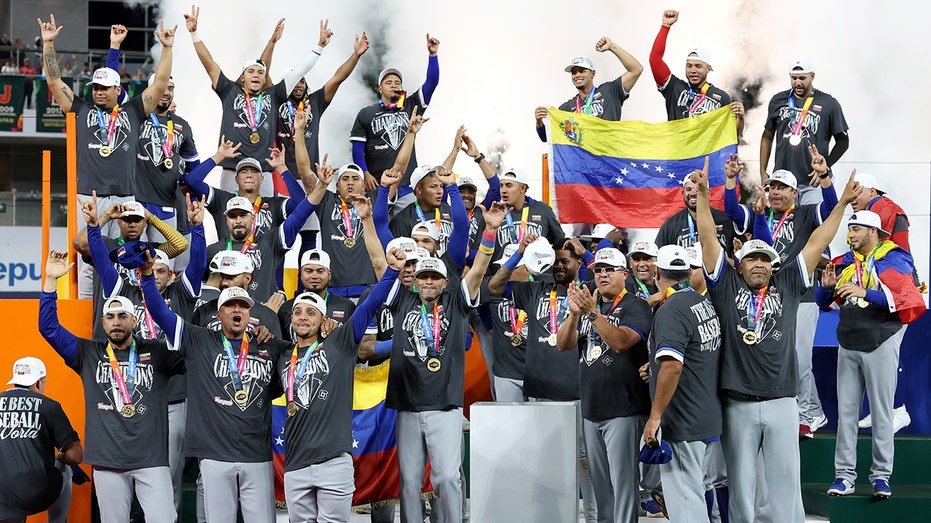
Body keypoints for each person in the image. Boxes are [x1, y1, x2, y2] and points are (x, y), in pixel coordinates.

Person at [694, 157, 861, 523]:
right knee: (741, 485)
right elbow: (707, 238)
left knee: (786, 483)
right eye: (751, 258)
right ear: (739, 264)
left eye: (765, 259)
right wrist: (703, 198)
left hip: (784, 401)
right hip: (737, 402)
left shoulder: (788, 282)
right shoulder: (725, 286)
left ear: (773, 265)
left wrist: (844, 203)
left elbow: (818, 240)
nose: (759, 264)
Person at [141, 260, 292, 523]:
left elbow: (306, 346)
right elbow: (159, 312)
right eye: (230, 306)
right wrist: (145, 277)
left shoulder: (269, 345)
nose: (237, 310)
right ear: (219, 314)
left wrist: (330, 326)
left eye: (243, 306)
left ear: (250, 314)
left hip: (257, 455)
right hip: (214, 456)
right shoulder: (199, 340)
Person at [39, 251, 184, 523]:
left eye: (122, 316)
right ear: (103, 323)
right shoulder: (87, 354)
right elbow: (49, 328)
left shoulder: (157, 352)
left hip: (151, 460)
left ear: (134, 320)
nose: (116, 321)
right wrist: (49, 282)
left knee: (164, 519)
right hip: (108, 462)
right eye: (110, 316)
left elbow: (192, 348)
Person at [387, 201, 506, 523]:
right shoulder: (402, 298)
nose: (427, 282)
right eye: (423, 277)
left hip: (445, 405)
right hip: (408, 405)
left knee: (446, 478)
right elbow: (376, 259)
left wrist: (490, 231)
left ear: (444, 282)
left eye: (434, 278)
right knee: (409, 482)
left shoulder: (457, 302)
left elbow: (478, 271)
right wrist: (370, 220)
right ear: (415, 281)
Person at [277, 247, 406, 522]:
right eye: (298, 312)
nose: (302, 317)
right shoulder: (283, 354)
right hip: (295, 462)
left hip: (333, 461)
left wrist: (392, 271)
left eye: (311, 313)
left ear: (324, 320)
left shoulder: (341, 344)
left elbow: (369, 306)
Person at [724, 149, 837, 438]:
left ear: (794, 194)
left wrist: (824, 177)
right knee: (781, 355)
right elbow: (733, 211)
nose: (775, 192)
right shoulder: (759, 212)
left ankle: (806, 414)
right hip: (767, 297)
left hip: (800, 293)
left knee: (800, 358)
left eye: (783, 188)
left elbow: (832, 207)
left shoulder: (805, 214)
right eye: (772, 186)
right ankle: (809, 410)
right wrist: (731, 181)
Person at [488, 237, 598, 523]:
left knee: (584, 460)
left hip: (577, 389)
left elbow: (614, 278)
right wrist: (519, 254)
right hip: (541, 390)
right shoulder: (535, 290)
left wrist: (587, 255)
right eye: (556, 261)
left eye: (566, 261)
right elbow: (495, 287)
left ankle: (594, 517)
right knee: (547, 459)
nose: (559, 266)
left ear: (577, 263)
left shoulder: (589, 291)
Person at [816, 211, 924, 499]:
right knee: (846, 414)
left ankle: (881, 477)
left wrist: (865, 292)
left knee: (881, 413)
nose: (850, 234)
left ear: (873, 232)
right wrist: (826, 289)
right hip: (848, 341)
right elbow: (824, 303)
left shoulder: (893, 258)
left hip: (880, 340)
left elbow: (904, 297)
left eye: (856, 229)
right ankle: (844, 476)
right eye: (850, 229)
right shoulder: (846, 262)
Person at [40, 15, 175, 234]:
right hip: (89, 197)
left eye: (104, 88)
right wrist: (48, 44)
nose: (99, 92)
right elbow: (54, 81)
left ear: (117, 90)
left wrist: (167, 48)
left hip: (125, 198)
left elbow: (160, 83)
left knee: (123, 252)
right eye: (95, 88)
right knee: (87, 252)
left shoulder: (133, 111)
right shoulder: (81, 110)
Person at [184, 6, 331, 196]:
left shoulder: (274, 94)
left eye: (261, 72)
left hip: (264, 171)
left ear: (264, 78)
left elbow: (299, 71)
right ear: (242, 77)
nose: (256, 75)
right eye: (251, 71)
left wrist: (319, 46)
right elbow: (209, 64)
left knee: (266, 214)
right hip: (232, 168)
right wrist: (194, 33)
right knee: (231, 213)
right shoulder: (229, 90)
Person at [558, 247, 653, 523]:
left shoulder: (636, 306)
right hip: (592, 408)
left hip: (624, 408)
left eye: (609, 270)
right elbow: (563, 345)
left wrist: (591, 313)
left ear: (624, 274)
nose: (602, 275)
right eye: (598, 270)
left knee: (623, 486)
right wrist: (574, 314)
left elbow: (621, 342)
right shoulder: (590, 304)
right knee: (602, 489)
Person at [643, 245, 723, 522]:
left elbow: (672, 366)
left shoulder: (672, 309)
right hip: (705, 411)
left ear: (657, 274)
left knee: (686, 502)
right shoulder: (701, 302)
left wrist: (655, 417)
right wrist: (654, 367)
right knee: (696, 490)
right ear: (688, 272)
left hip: (683, 418)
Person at [848, 172, 913, 432]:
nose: (852, 197)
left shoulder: (887, 209)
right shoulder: (875, 211)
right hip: (885, 290)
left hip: (896, 291)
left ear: (872, 191)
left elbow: (897, 255)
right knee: (877, 353)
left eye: (858, 190)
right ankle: (882, 410)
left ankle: (896, 411)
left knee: (887, 352)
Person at [350, 33, 440, 206]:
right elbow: (357, 151)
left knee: (408, 222)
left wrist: (433, 55)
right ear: (380, 88)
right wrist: (365, 173)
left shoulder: (411, 105)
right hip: (378, 184)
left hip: (407, 185)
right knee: (376, 222)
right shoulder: (366, 113)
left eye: (397, 82)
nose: (394, 85)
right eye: (389, 82)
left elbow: (431, 83)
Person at [204, 168, 318, 302]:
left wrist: (322, 185)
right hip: (228, 310)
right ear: (226, 220)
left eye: (243, 215)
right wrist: (197, 226)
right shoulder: (214, 252)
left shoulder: (269, 243)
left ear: (253, 218)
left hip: (263, 311)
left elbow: (300, 213)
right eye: (233, 216)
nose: (238, 220)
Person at [0, 357, 83, 523]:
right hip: (35, 494)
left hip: (3, 496)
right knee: (65, 468)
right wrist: (58, 456)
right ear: (39, 382)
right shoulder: (48, 406)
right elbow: (76, 456)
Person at [759, 56, 849, 204]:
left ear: (812, 76)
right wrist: (762, 170)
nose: (798, 82)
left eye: (802, 78)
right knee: (785, 219)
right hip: (783, 182)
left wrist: (825, 167)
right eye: (794, 78)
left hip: (813, 182)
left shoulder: (829, 103)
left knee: (816, 219)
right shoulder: (778, 100)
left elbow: (843, 141)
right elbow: (767, 136)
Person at [648, 10, 744, 132]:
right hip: (677, 144)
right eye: (689, 66)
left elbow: (732, 134)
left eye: (698, 66)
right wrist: (665, 26)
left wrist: (741, 118)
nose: (693, 70)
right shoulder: (674, 87)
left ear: (709, 69)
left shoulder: (722, 97)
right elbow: (654, 60)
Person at [534, 36, 643, 141]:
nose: (577, 75)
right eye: (574, 72)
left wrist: (612, 47)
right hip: (583, 154)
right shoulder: (567, 108)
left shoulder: (610, 91)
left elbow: (636, 70)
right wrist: (539, 122)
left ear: (593, 73)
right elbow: (546, 137)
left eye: (582, 71)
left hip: (608, 152)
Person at [471, 168, 566, 269]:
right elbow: (479, 252)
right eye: (501, 185)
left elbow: (560, 244)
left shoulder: (543, 210)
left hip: (536, 276)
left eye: (509, 185)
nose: (503, 190)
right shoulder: (494, 214)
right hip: (501, 276)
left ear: (522, 188)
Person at [655, 167, 743, 259]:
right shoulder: (670, 225)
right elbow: (657, 257)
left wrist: (738, 255)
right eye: (688, 189)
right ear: (683, 194)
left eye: (698, 189)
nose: (693, 193)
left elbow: (744, 256)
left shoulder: (727, 220)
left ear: (708, 193)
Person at [277, 249, 357, 342]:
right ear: (300, 274)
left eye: (320, 271)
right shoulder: (286, 308)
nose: (314, 276)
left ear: (329, 274)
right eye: (309, 271)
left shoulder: (346, 306)